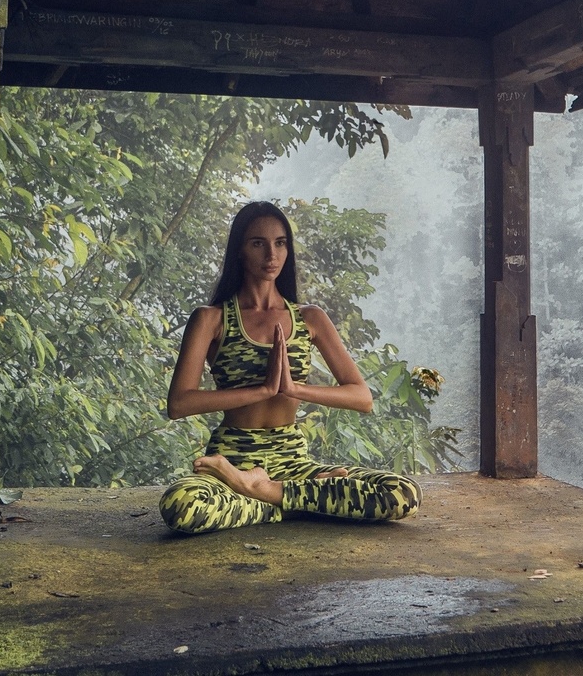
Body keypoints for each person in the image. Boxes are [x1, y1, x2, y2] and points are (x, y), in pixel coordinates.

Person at [158, 201, 421, 534]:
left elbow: (362, 397)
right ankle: (297, 500)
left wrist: (294, 389)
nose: (272, 254)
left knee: (401, 494)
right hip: (232, 460)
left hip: (294, 462)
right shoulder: (211, 319)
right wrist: (262, 390)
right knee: (182, 506)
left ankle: (263, 492)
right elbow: (179, 403)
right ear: (239, 250)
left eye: (280, 243)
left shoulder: (309, 318)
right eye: (258, 243)